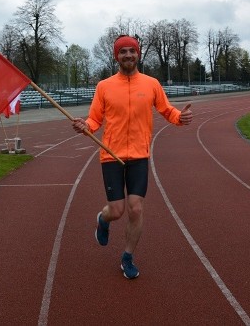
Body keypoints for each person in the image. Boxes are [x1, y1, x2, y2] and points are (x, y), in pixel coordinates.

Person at [72, 34, 192, 279]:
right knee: (116, 211)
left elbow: (166, 109)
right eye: (123, 51)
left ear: (138, 54)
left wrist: (180, 117)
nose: (128, 55)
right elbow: (95, 119)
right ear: (116, 56)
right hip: (111, 156)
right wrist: (85, 125)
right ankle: (102, 220)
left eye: (132, 51)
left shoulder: (151, 84)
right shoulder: (104, 86)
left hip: (139, 155)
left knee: (136, 209)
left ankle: (127, 256)